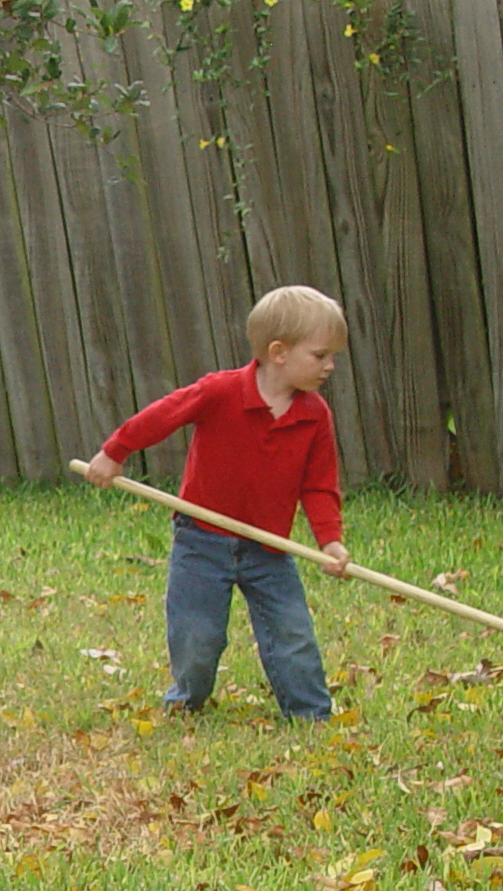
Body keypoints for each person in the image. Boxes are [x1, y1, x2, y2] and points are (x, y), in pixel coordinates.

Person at [84, 285, 353, 722]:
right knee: (198, 635)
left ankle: (310, 715)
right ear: (279, 352)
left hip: (268, 549)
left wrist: (331, 542)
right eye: (320, 355)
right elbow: (163, 414)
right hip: (201, 541)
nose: (330, 366)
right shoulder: (221, 392)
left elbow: (319, 486)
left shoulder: (314, 414)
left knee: (293, 633)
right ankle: (186, 704)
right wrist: (115, 451)